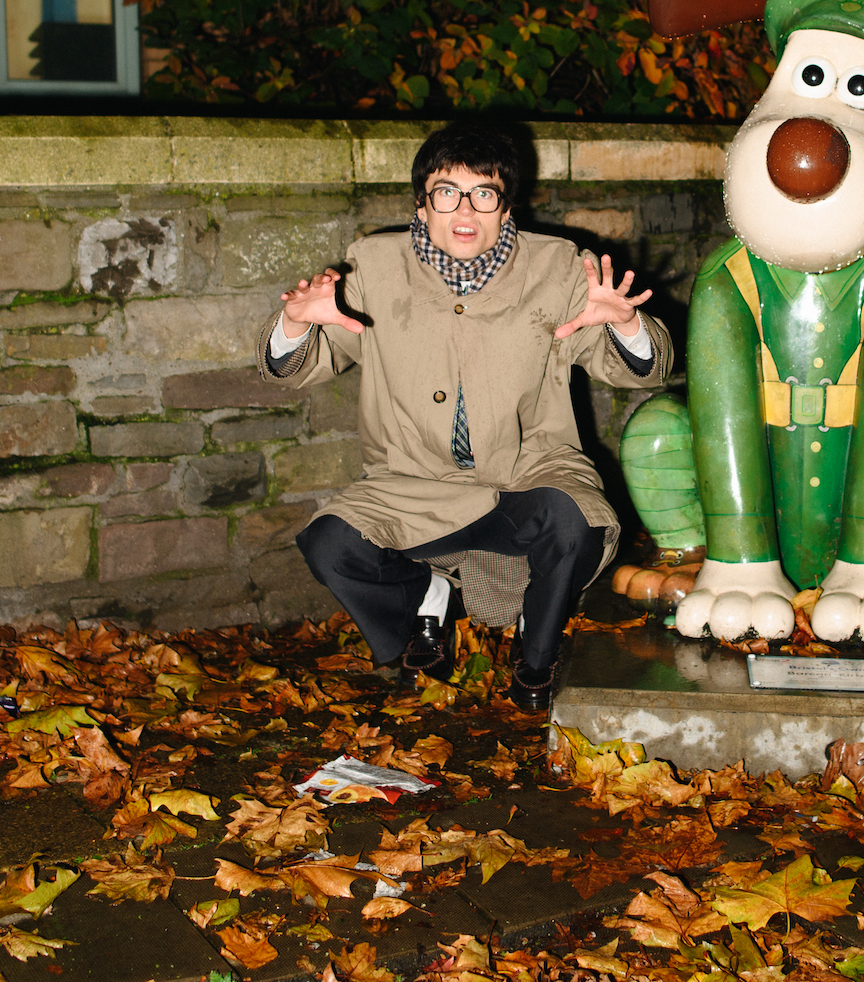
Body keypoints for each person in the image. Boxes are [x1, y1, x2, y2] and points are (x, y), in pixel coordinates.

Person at [256, 124, 672, 711]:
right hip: (412, 484)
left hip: (529, 474)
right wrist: (296, 324)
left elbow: (640, 371)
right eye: (446, 192)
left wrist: (625, 325)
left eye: (485, 193)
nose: (465, 209)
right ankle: (423, 599)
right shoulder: (373, 266)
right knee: (330, 545)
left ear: (507, 207)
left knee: (576, 522)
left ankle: (537, 653)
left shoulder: (557, 268)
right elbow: (303, 366)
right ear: (421, 206)